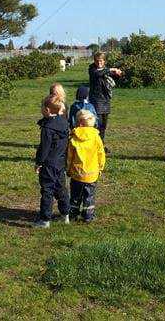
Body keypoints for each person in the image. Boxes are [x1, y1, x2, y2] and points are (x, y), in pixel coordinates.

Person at [33, 95, 71, 229]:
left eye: (42, 107)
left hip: (49, 164)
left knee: (47, 190)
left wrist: (39, 162)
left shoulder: (47, 128)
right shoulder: (64, 123)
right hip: (61, 162)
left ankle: (45, 219)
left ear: (47, 110)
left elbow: (44, 148)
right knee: (61, 188)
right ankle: (65, 214)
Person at [67, 110, 106, 223]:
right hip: (92, 174)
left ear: (78, 123)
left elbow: (69, 157)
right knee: (89, 196)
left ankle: (73, 213)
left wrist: (68, 169)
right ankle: (88, 216)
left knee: (75, 195)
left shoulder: (73, 138)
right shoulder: (96, 137)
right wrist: (100, 167)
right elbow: (101, 154)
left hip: (76, 173)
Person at [87, 52, 122, 147]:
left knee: (104, 125)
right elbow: (99, 74)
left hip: (106, 100)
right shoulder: (92, 69)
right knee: (97, 124)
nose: (99, 63)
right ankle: (95, 144)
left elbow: (114, 79)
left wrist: (118, 74)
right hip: (96, 100)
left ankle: (101, 144)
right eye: (97, 61)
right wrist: (111, 69)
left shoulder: (106, 70)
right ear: (94, 61)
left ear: (104, 61)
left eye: (101, 61)